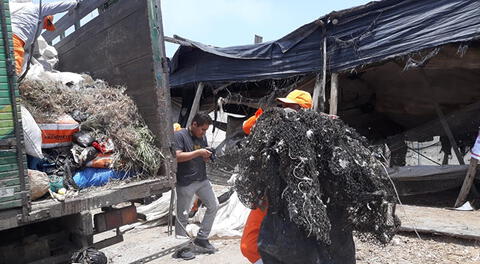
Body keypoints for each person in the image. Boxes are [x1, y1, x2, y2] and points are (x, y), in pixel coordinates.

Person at [240, 89, 313, 264]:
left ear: (303, 110)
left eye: (291, 107)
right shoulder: (271, 126)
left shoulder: (312, 131)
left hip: (297, 197)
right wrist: (266, 116)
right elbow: (246, 127)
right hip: (268, 191)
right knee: (249, 245)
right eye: (283, 105)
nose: (285, 110)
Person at [174, 112, 219, 251]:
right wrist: (199, 153)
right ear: (194, 124)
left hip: (202, 180)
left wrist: (207, 156)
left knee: (214, 205)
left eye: (206, 129)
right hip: (186, 182)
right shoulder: (180, 135)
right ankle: (181, 248)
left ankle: (202, 238)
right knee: (183, 216)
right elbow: (177, 156)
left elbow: (201, 155)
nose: (204, 132)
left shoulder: (201, 136)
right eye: (203, 129)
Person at [10, 0, 79, 74]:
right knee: (13, 73)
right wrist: (75, 2)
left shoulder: (13, 7)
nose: (44, 27)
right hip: (15, 40)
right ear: (44, 18)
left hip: (8, 37)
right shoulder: (37, 9)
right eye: (46, 24)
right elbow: (60, 6)